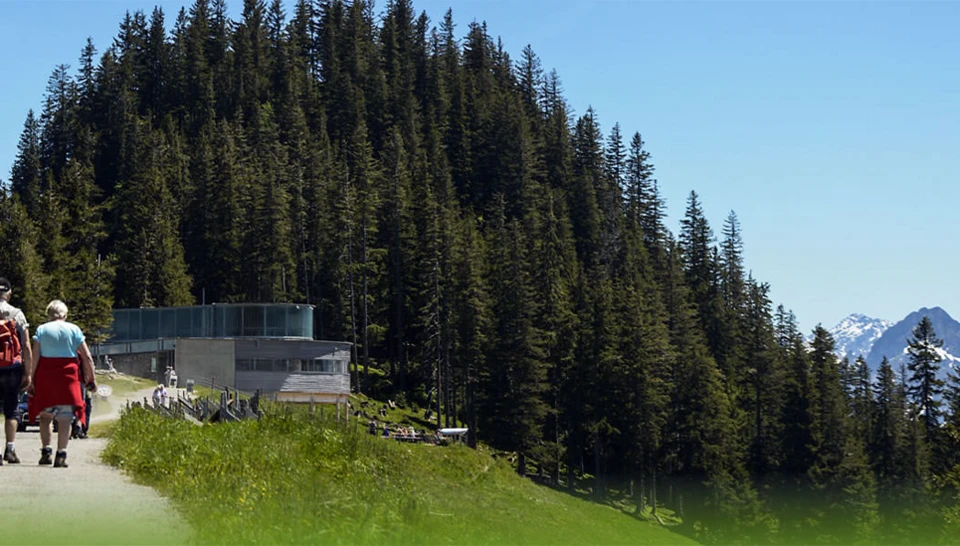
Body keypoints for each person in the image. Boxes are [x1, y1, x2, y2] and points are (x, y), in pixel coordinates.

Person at [28, 300, 97, 468]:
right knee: (65, 418)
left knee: (45, 416)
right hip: (68, 376)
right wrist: (91, 378)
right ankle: (61, 454)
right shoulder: (74, 329)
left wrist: (30, 378)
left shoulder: (42, 330)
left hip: (46, 376)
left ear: (49, 314)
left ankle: (46, 451)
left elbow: (35, 357)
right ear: (65, 315)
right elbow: (87, 356)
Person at [0, 305, 30, 464]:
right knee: (11, 409)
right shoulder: (17, 314)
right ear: (9, 294)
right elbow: (25, 345)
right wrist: (28, 372)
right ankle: (10, 449)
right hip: (12, 369)